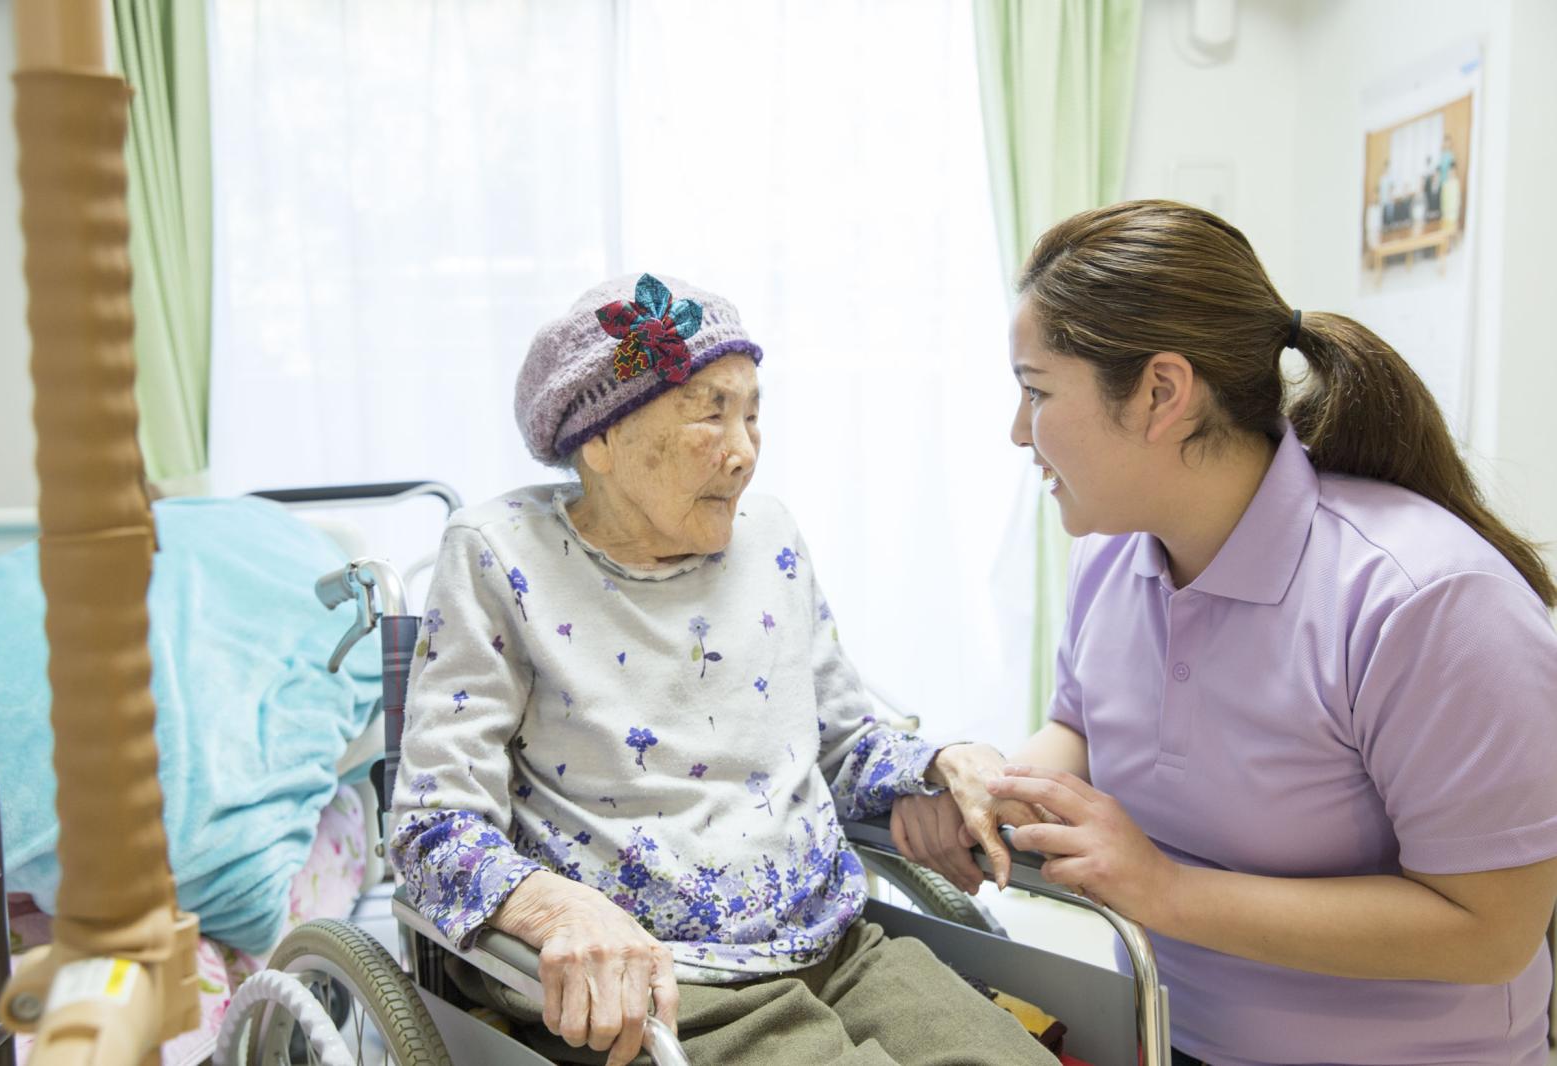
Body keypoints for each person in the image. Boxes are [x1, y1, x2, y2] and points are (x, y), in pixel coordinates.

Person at [892, 200, 1557, 1066]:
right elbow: (1084, 728)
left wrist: (1164, 890)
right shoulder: (1117, 559)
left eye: (1036, 391)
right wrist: (993, 799)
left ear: (1162, 393)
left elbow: (1491, 932)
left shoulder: (1423, 600)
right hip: (1156, 1036)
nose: (1019, 431)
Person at [389, 272, 1053, 1066]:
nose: (743, 454)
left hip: (835, 945)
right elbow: (433, 825)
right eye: (710, 413)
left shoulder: (769, 537)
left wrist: (940, 764)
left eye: (752, 412)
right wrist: (551, 908)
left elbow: (842, 743)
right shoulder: (500, 555)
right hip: (658, 985)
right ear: (597, 440)